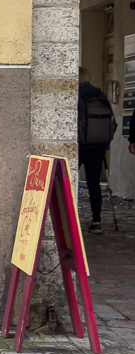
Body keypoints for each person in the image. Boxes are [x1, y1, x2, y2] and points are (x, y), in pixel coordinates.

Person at [78, 68, 117, 233]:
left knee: (67, 181)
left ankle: (67, 221)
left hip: (79, 144)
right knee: (94, 184)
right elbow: (112, 123)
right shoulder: (100, 96)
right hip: (97, 146)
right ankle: (96, 221)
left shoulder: (76, 94)